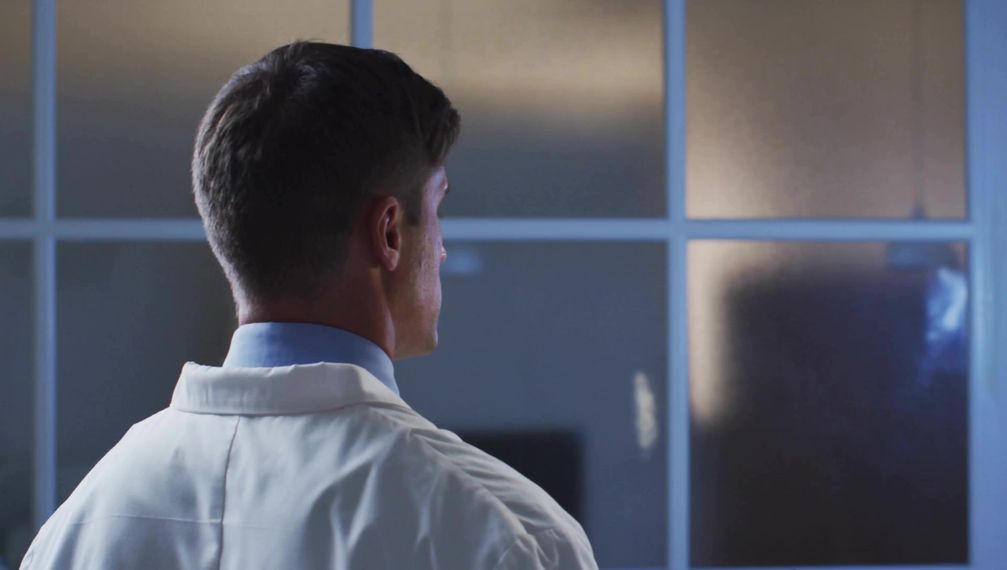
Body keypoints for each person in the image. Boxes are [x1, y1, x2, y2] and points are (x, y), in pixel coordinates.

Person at [21, 42, 597, 570]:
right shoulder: (504, 537)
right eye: (437, 208)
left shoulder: (75, 531)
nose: (443, 249)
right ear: (389, 233)